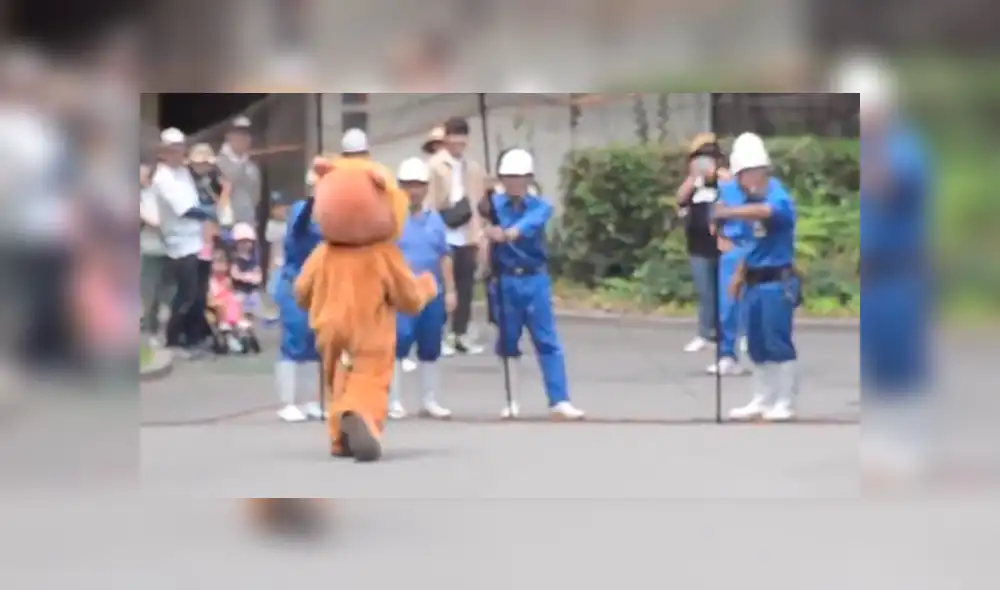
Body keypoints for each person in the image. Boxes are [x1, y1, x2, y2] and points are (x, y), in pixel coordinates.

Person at [295, 128, 438, 462]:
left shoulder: (324, 252)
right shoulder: (383, 254)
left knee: (338, 379)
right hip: (369, 330)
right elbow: (409, 298)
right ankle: (361, 418)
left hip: (328, 326)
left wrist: (312, 304)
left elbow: (301, 291)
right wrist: (427, 285)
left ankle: (339, 438)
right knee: (369, 378)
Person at [482, 148, 585, 420]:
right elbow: (481, 226)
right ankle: (511, 400)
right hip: (505, 278)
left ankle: (559, 400)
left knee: (546, 339)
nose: (515, 182)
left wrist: (507, 233)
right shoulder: (493, 205)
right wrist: (488, 231)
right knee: (507, 340)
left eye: (520, 177)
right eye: (509, 177)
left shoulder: (541, 205)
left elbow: (527, 226)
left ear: (529, 179)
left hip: (534, 277)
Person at [714, 133, 800, 422]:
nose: (741, 181)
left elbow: (766, 212)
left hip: (777, 281)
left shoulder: (776, 195)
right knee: (755, 343)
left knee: (778, 341)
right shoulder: (748, 200)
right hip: (752, 280)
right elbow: (751, 245)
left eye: (744, 174)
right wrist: (737, 275)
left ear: (758, 171)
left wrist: (729, 211)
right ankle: (761, 399)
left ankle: (785, 401)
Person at [388, 157, 456, 420]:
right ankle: (394, 400)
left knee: (431, 346)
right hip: (402, 293)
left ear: (426, 188)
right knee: (398, 344)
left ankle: (429, 400)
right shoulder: (391, 220)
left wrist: (450, 290)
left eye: (418, 185)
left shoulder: (435, 220)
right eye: (407, 185)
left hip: (431, 293)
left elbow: (444, 255)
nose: (413, 190)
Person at [152, 127, 214, 359]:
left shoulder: (183, 172)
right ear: (163, 152)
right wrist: (212, 214)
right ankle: (173, 339)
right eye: (173, 150)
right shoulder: (162, 177)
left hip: (197, 240)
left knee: (198, 294)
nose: (178, 154)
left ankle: (193, 337)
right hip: (179, 244)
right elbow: (186, 209)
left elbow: (196, 198)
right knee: (186, 294)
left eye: (180, 149)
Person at [427, 116, 487, 355]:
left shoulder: (472, 167)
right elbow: (430, 201)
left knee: (466, 286)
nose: (458, 142)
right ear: (446, 138)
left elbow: (479, 200)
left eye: (462, 137)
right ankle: (438, 334)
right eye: (454, 136)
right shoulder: (435, 165)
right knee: (443, 286)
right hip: (444, 231)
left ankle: (459, 334)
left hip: (467, 232)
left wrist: (480, 230)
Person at [273, 164, 326, 423]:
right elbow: (301, 223)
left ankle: (312, 401)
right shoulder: (299, 209)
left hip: (320, 285)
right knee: (294, 339)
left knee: (316, 343)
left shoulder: (332, 216)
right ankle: (287, 402)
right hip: (295, 282)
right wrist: (314, 200)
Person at [676, 133, 724, 353]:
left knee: (728, 292)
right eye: (699, 157)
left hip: (724, 246)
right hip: (698, 246)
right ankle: (704, 333)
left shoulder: (725, 181)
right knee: (705, 293)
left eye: (709, 157)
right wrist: (694, 179)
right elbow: (679, 199)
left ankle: (735, 334)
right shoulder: (692, 186)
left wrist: (717, 175)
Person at [139, 162, 170, 344]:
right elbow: (151, 221)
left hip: (169, 247)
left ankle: (166, 328)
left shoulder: (162, 194)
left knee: (167, 290)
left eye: (142, 174)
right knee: (149, 290)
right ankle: (152, 328)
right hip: (149, 248)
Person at [215, 115, 260, 231]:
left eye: (246, 134)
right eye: (238, 133)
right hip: (225, 227)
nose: (243, 138)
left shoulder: (252, 165)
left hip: (248, 225)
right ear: (228, 136)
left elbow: (256, 196)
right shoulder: (218, 163)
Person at [230, 222, 264, 320]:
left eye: (248, 242)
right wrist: (245, 276)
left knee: (256, 300)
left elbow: (258, 275)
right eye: (242, 242)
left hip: (251, 290)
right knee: (239, 301)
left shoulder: (253, 260)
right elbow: (234, 274)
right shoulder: (235, 259)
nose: (245, 245)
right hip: (238, 289)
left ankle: (254, 323)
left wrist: (254, 277)